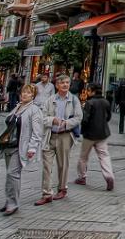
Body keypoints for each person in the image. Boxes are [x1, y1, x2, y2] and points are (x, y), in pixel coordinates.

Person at [0, 83, 44, 216]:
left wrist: (32, 148)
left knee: (13, 174)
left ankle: (13, 204)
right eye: (24, 92)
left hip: (20, 147)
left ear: (33, 95)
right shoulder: (17, 107)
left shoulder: (34, 110)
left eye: (29, 93)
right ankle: (8, 202)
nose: (25, 95)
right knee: (10, 175)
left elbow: (37, 132)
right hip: (8, 146)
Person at [36, 75, 83, 205]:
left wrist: (66, 123)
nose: (65, 85)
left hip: (65, 136)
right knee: (47, 165)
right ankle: (47, 193)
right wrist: (53, 120)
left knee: (63, 165)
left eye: (67, 83)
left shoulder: (74, 100)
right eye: (62, 83)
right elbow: (43, 118)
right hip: (50, 135)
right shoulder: (50, 100)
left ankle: (62, 189)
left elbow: (79, 117)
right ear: (57, 85)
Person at [75, 83, 113, 191]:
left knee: (83, 157)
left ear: (92, 91)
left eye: (88, 90)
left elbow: (85, 119)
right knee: (104, 156)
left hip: (90, 135)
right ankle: (109, 176)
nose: (87, 92)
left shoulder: (90, 103)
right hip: (102, 133)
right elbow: (108, 117)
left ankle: (82, 177)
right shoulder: (106, 102)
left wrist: (82, 130)